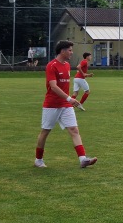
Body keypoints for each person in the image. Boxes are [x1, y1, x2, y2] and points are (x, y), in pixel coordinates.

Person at [34, 40, 97, 169]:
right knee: (45, 132)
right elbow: (53, 87)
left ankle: (83, 159)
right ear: (62, 51)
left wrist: (67, 101)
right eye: (70, 50)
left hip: (65, 105)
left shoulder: (67, 65)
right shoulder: (51, 66)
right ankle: (38, 160)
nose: (72, 53)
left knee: (74, 130)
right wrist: (70, 98)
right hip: (51, 105)